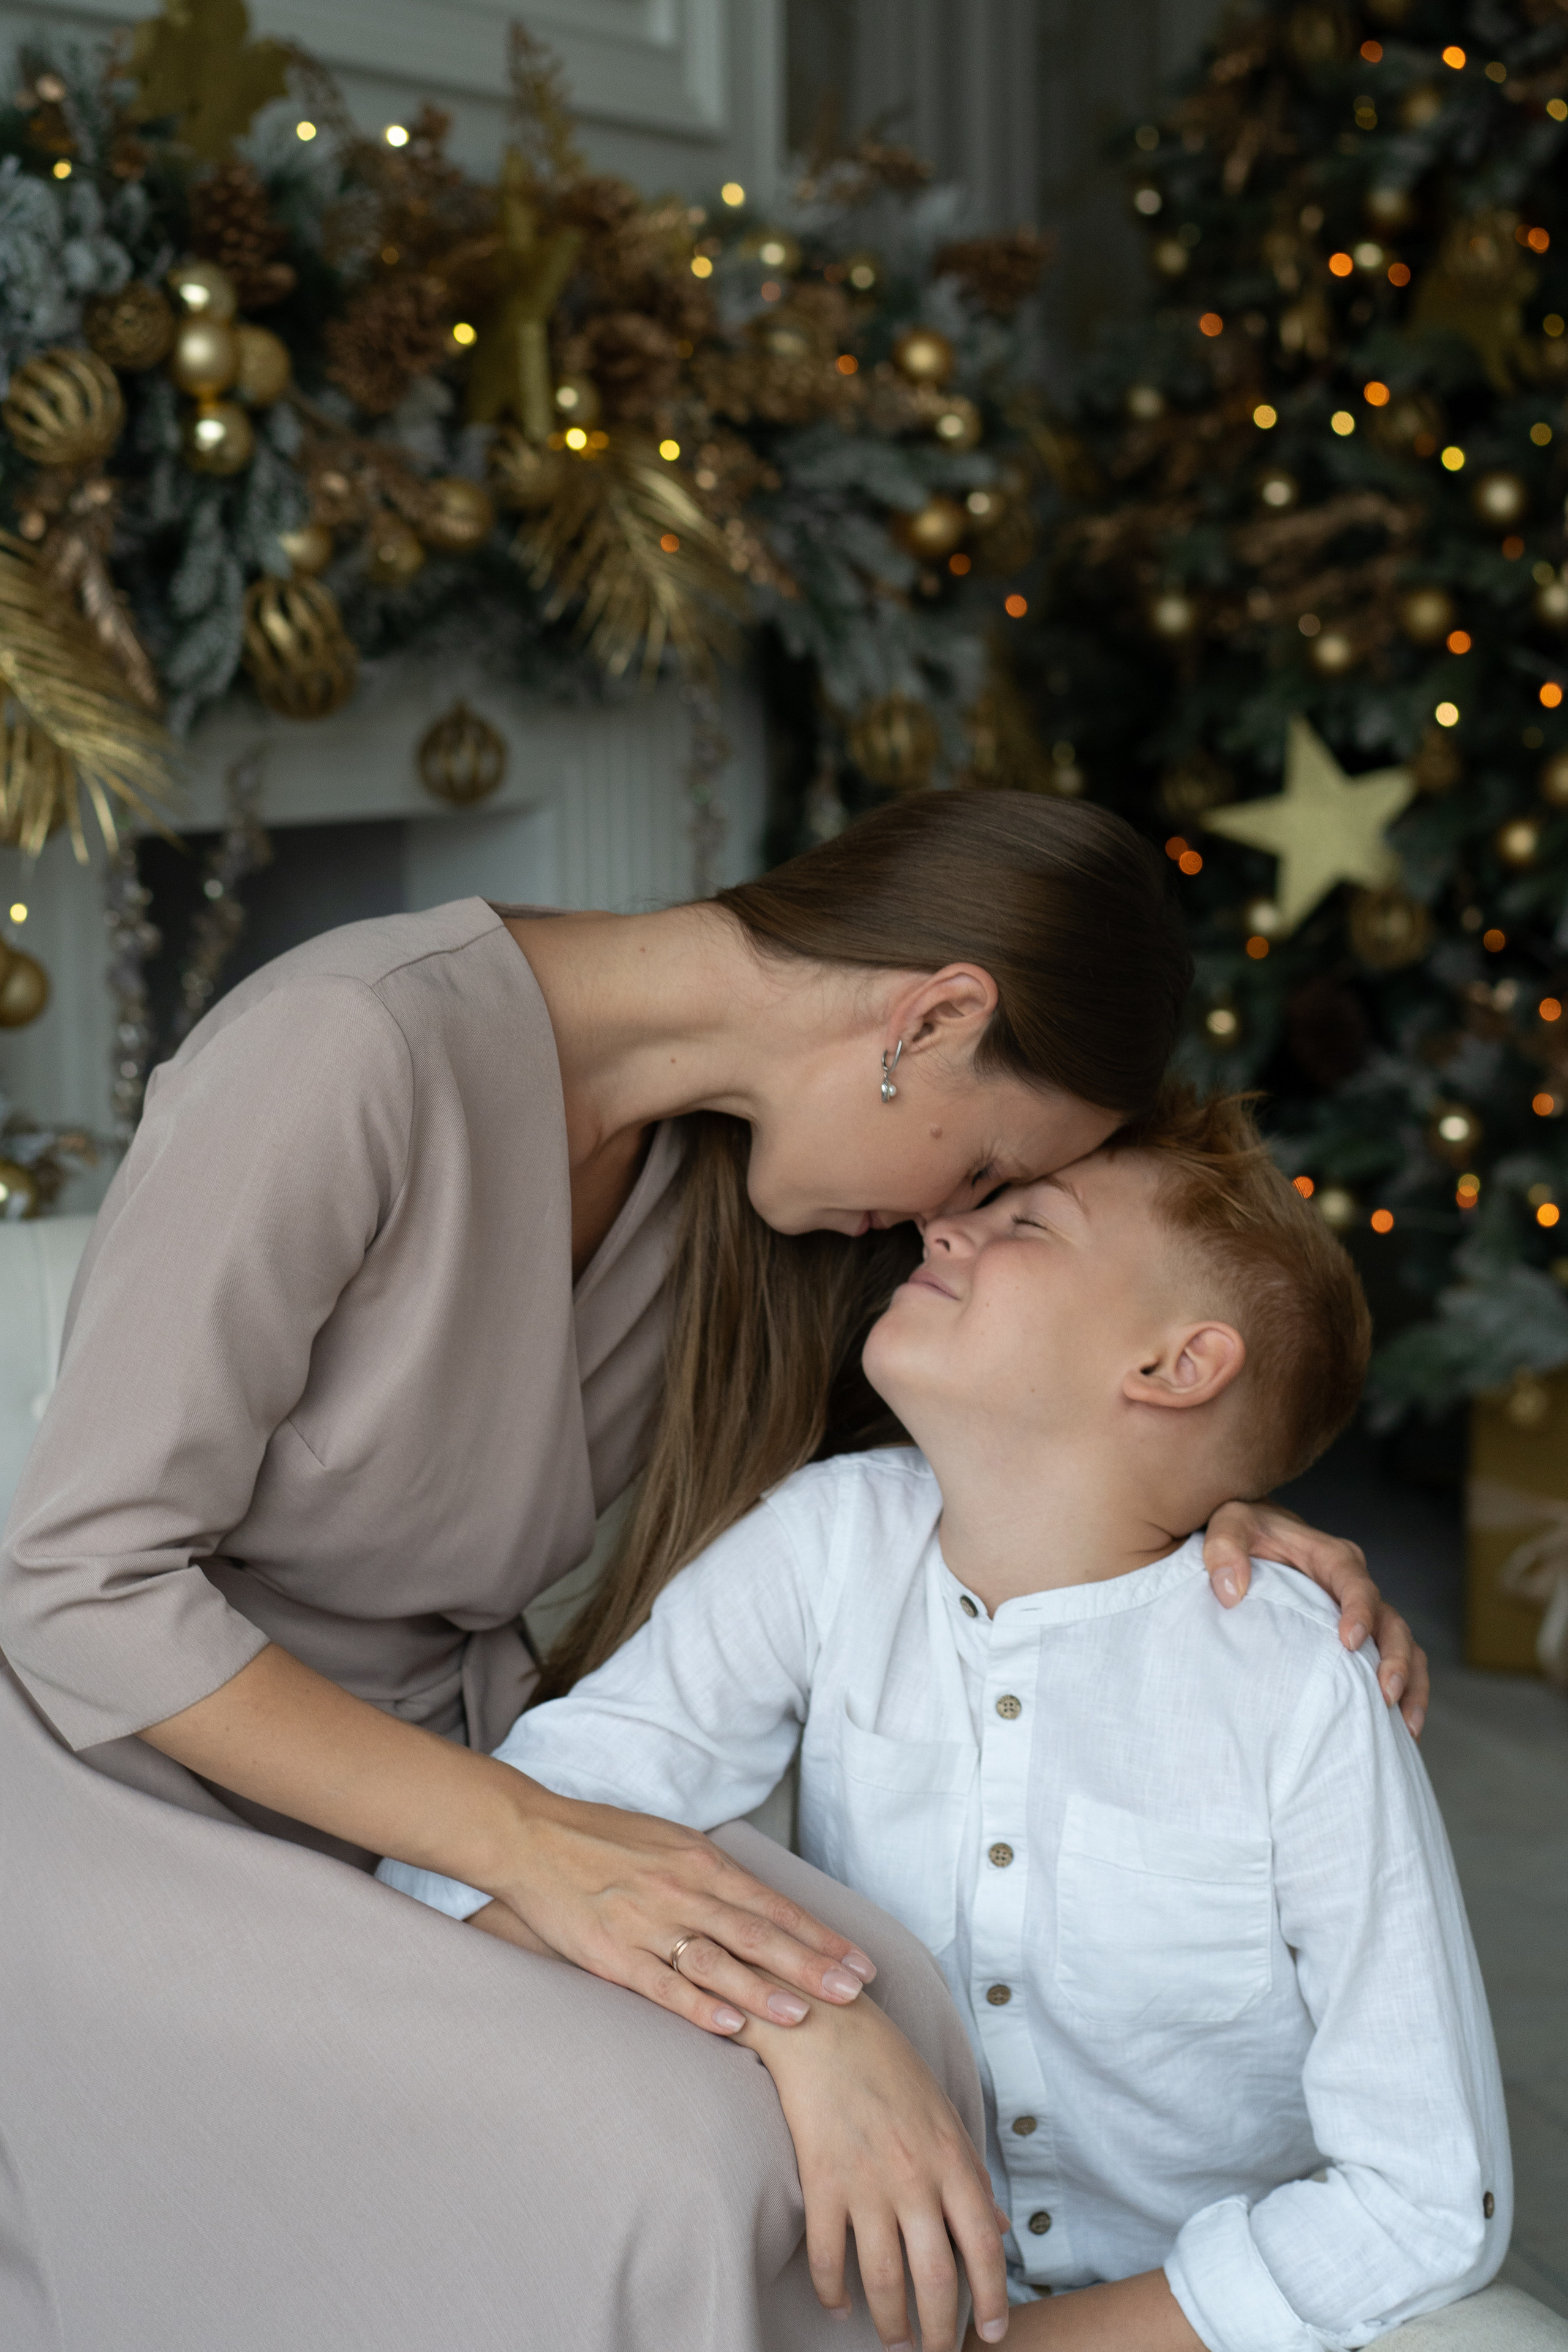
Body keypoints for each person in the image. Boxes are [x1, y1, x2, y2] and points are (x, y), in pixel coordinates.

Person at [0, 793, 1427, 2352]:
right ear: (933, 1020)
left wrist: (1216, 1515)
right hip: (123, 1808)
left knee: (888, 2040)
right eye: (994, 1164)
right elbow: (77, 1584)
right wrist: (560, 1863)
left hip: (470, 1792)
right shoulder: (344, 1052)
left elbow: (1052, 1443)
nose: (952, 1220)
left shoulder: (747, 1192)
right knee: (690, 2161)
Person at [383, 1090, 1507, 2352]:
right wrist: (793, 2019)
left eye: (1022, 1221)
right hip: (852, 2302)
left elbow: (1422, 2196)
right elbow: (480, 1853)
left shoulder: (1298, 1684)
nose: (940, 1234)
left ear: (1173, 1366)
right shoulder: (828, 1542)